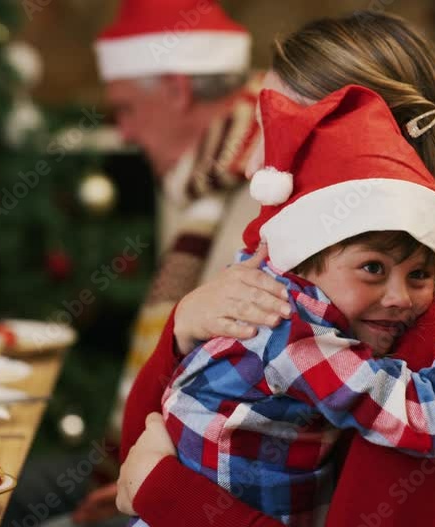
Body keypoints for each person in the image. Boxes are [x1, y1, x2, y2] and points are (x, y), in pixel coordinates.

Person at [117, 12, 435, 527]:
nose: (262, 167)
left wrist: (162, 490)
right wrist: (185, 324)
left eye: (286, 137)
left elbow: (139, 476)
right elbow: (138, 448)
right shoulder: (314, 290)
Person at [56, 1, 263, 524]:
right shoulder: (197, 178)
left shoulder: (265, 182)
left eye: (125, 108)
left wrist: (156, 486)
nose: (122, 132)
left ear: (177, 89)